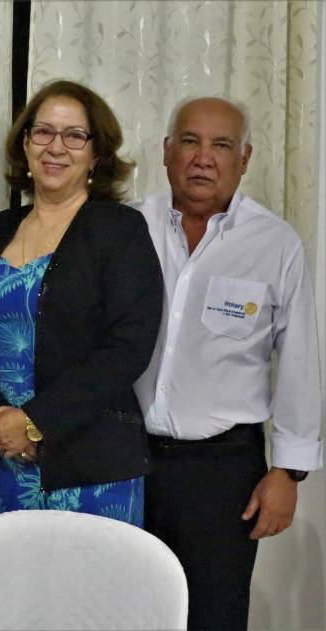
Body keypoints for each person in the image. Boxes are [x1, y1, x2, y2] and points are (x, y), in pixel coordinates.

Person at [134, 96, 322, 630]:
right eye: (189, 141)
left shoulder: (275, 243)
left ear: (245, 158)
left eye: (221, 145)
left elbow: (299, 361)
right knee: (128, 611)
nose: (203, 158)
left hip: (222, 474)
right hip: (127, 461)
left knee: (213, 617)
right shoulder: (129, 226)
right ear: (166, 151)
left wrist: (287, 471)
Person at [0, 80, 163, 526]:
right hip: (4, 458)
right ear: (25, 145)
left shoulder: (120, 230)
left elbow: (128, 347)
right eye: (43, 132)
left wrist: (34, 422)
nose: (56, 147)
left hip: (90, 468)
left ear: (96, 154)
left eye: (74, 135)